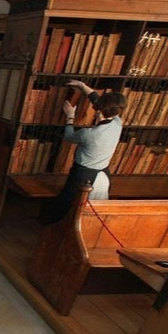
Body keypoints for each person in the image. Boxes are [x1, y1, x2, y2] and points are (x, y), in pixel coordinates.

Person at [39, 79, 127, 225]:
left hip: (82, 174)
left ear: (98, 110)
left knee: (67, 201)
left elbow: (68, 136)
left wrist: (70, 116)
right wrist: (82, 86)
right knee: (91, 209)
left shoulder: (89, 133)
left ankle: (53, 229)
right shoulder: (118, 123)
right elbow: (96, 100)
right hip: (104, 174)